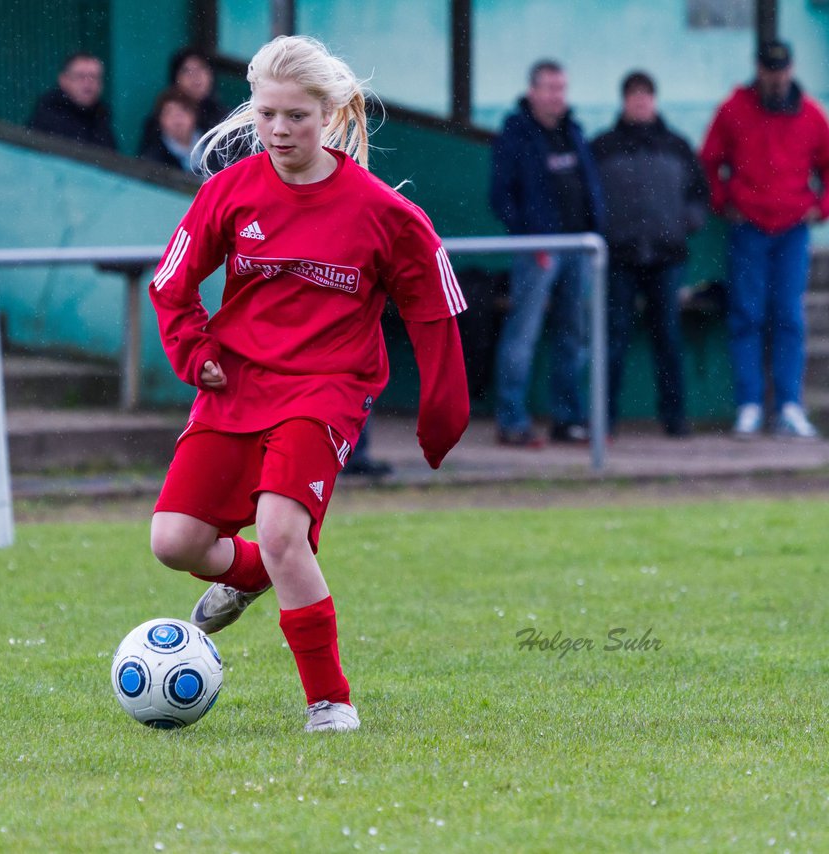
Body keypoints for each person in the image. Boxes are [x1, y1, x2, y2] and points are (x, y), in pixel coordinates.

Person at [147, 35, 469, 732]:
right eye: (267, 115)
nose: (280, 130)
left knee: (283, 531)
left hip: (325, 389)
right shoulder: (229, 191)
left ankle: (329, 700)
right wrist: (192, 347)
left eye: (296, 116)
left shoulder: (383, 213)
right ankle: (256, 572)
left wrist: (443, 413)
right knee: (174, 542)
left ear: (329, 115)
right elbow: (171, 283)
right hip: (235, 384)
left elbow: (434, 310)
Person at [700, 39, 829, 439]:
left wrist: (824, 206)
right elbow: (709, 162)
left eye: (782, 70)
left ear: (790, 70)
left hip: (792, 229)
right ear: (759, 69)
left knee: (788, 317)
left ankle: (789, 406)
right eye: (770, 70)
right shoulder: (733, 111)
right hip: (748, 226)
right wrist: (722, 201)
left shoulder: (811, 115)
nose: (777, 77)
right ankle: (749, 406)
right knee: (747, 315)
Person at [489, 59, 605, 448]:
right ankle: (511, 421)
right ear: (533, 91)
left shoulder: (573, 131)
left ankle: (568, 419)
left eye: (562, 88)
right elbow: (500, 196)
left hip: (579, 249)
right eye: (550, 88)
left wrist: (594, 232)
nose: (557, 96)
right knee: (524, 334)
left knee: (574, 336)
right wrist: (530, 239)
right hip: (537, 250)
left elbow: (589, 190)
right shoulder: (515, 134)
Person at [591, 70, 709, 438]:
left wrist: (684, 222)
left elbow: (699, 195)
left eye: (646, 96)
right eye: (634, 96)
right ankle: (605, 420)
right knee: (614, 339)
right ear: (624, 101)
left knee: (669, 340)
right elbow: (588, 197)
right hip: (619, 257)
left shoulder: (677, 145)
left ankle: (674, 419)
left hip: (667, 256)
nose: (641, 102)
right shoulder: (602, 146)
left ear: (655, 101)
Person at [139, 47, 229, 158]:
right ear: (175, 78)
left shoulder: (225, 119)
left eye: (201, 68)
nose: (195, 77)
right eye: (186, 70)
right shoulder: (156, 126)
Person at [27, 52, 117, 150]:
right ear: (63, 80)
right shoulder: (47, 118)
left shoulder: (101, 120)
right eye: (80, 76)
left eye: (94, 77)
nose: (88, 82)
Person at [137, 88, 201, 173]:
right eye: (169, 113)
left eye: (183, 111)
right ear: (160, 120)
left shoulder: (215, 148)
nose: (177, 119)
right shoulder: (153, 160)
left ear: (194, 116)